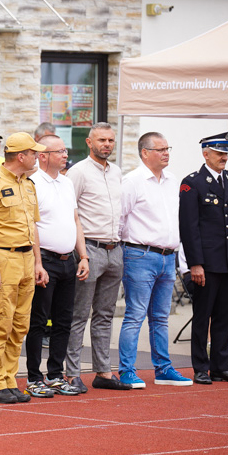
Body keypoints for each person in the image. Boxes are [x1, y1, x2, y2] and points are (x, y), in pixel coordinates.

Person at [0, 132, 46, 403]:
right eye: (33, 152)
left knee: (19, 325)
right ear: (21, 156)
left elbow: (33, 226)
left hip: (27, 259)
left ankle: (8, 378)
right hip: (3, 259)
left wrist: (38, 262)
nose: (37, 156)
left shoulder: (28, 184)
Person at [118, 132, 192, 388]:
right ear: (144, 153)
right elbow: (119, 218)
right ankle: (126, 370)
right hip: (139, 254)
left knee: (160, 317)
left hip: (167, 257)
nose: (166, 153)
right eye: (160, 149)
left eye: (167, 148)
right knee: (135, 315)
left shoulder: (173, 181)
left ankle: (163, 369)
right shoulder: (132, 181)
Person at [179, 132, 228, 385]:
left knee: (224, 316)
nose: (224, 157)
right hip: (207, 263)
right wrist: (195, 263)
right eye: (219, 153)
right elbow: (189, 227)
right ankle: (201, 366)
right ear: (205, 153)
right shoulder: (193, 182)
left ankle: (221, 367)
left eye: (226, 153)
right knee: (203, 316)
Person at [66, 122, 129, 391]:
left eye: (111, 140)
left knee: (105, 315)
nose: (107, 145)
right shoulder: (78, 172)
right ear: (89, 143)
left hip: (114, 250)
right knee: (79, 315)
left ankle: (103, 372)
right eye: (102, 140)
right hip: (88, 249)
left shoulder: (117, 172)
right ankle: (71, 373)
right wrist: (81, 253)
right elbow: (71, 212)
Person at [24, 135, 88, 398]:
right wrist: (38, 262)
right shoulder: (33, 183)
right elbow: (33, 227)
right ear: (43, 156)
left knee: (63, 321)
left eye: (65, 150)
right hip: (46, 260)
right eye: (59, 151)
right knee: (38, 320)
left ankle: (55, 374)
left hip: (67, 260)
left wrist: (82, 256)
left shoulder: (66, 182)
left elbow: (75, 220)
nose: (65, 154)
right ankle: (33, 377)